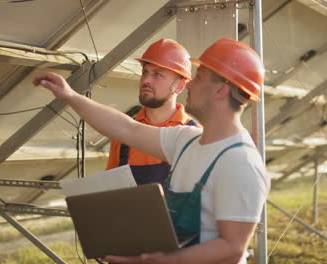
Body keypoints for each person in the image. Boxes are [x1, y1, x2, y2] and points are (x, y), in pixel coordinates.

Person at [34, 38, 270, 264]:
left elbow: (231, 249)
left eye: (199, 77)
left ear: (220, 91)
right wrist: (70, 96)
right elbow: (127, 129)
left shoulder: (241, 162)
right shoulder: (185, 141)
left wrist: (156, 260)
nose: (190, 83)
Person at [106, 38, 198, 185]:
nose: (146, 80)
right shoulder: (123, 136)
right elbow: (110, 191)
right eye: (145, 72)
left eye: (157, 74)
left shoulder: (195, 136)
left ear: (180, 86)